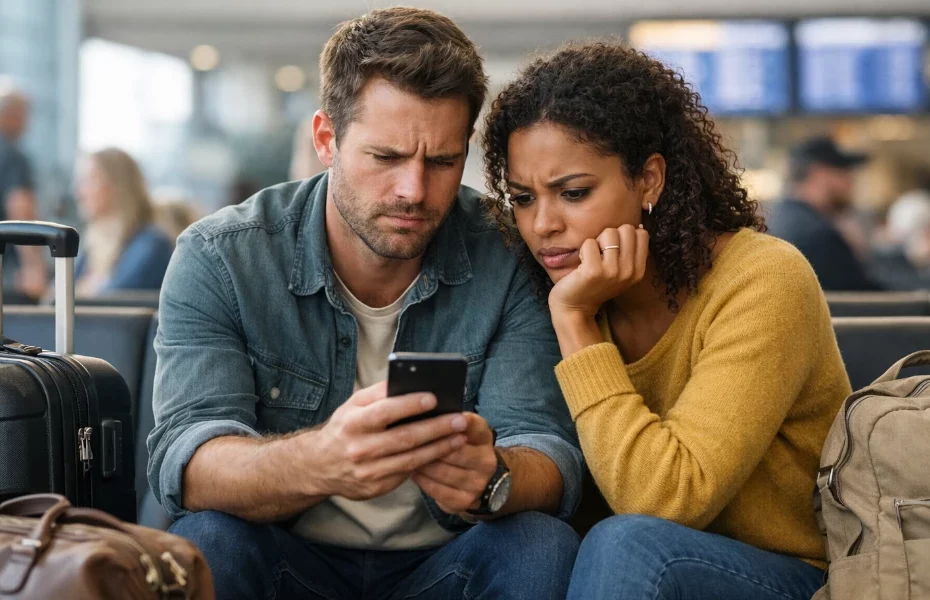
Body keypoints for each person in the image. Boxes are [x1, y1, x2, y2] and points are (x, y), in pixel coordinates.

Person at [148, 8, 581, 600]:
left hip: (448, 560)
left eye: (442, 161)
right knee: (207, 539)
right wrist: (319, 461)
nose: (414, 191)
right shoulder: (222, 257)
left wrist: (494, 477)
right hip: (287, 558)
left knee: (540, 544)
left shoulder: (506, 253)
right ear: (326, 139)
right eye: (386, 157)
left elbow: (547, 451)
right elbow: (187, 461)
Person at [482, 41, 851, 600]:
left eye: (573, 193)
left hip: (791, 576)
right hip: (631, 578)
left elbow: (663, 501)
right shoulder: (556, 290)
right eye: (523, 198)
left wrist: (576, 322)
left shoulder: (763, 279)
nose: (542, 225)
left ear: (649, 180)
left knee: (629, 545)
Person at [767, 135, 880, 290]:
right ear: (820, 174)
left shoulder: (781, 216)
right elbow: (865, 293)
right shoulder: (817, 234)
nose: (851, 183)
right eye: (844, 173)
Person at [73, 148, 174, 295]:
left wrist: (83, 289)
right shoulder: (93, 246)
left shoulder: (151, 245)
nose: (79, 192)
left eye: (89, 180)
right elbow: (57, 295)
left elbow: (111, 300)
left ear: (117, 185)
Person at [0, 81, 47, 300]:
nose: (27, 124)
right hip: (8, 270)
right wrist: (33, 266)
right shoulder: (13, 156)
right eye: (24, 115)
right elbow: (21, 209)